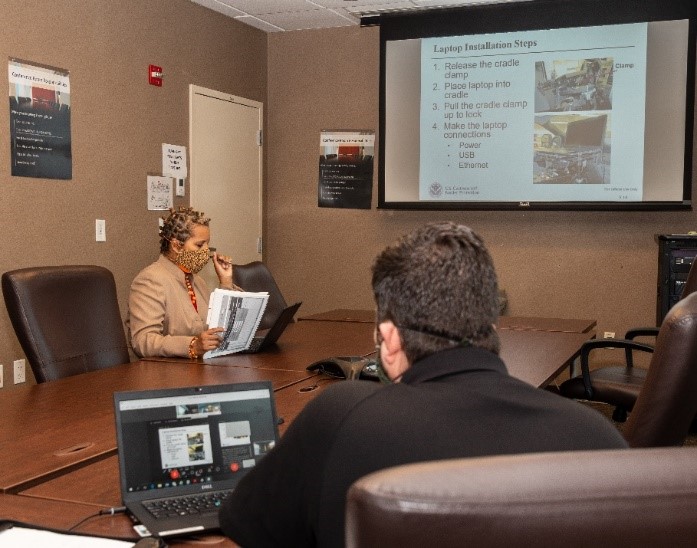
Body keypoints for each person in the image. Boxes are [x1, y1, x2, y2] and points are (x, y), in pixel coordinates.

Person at [219, 222, 627, 547]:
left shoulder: (340, 417)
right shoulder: (597, 439)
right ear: (489, 325)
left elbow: (245, 526)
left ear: (390, 340)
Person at [127, 206, 241, 359]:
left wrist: (226, 282)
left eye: (207, 244)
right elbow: (143, 341)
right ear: (176, 246)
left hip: (199, 369)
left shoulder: (197, 281)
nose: (207, 252)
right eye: (200, 245)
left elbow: (218, 327)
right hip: (166, 374)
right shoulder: (150, 280)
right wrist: (192, 345)